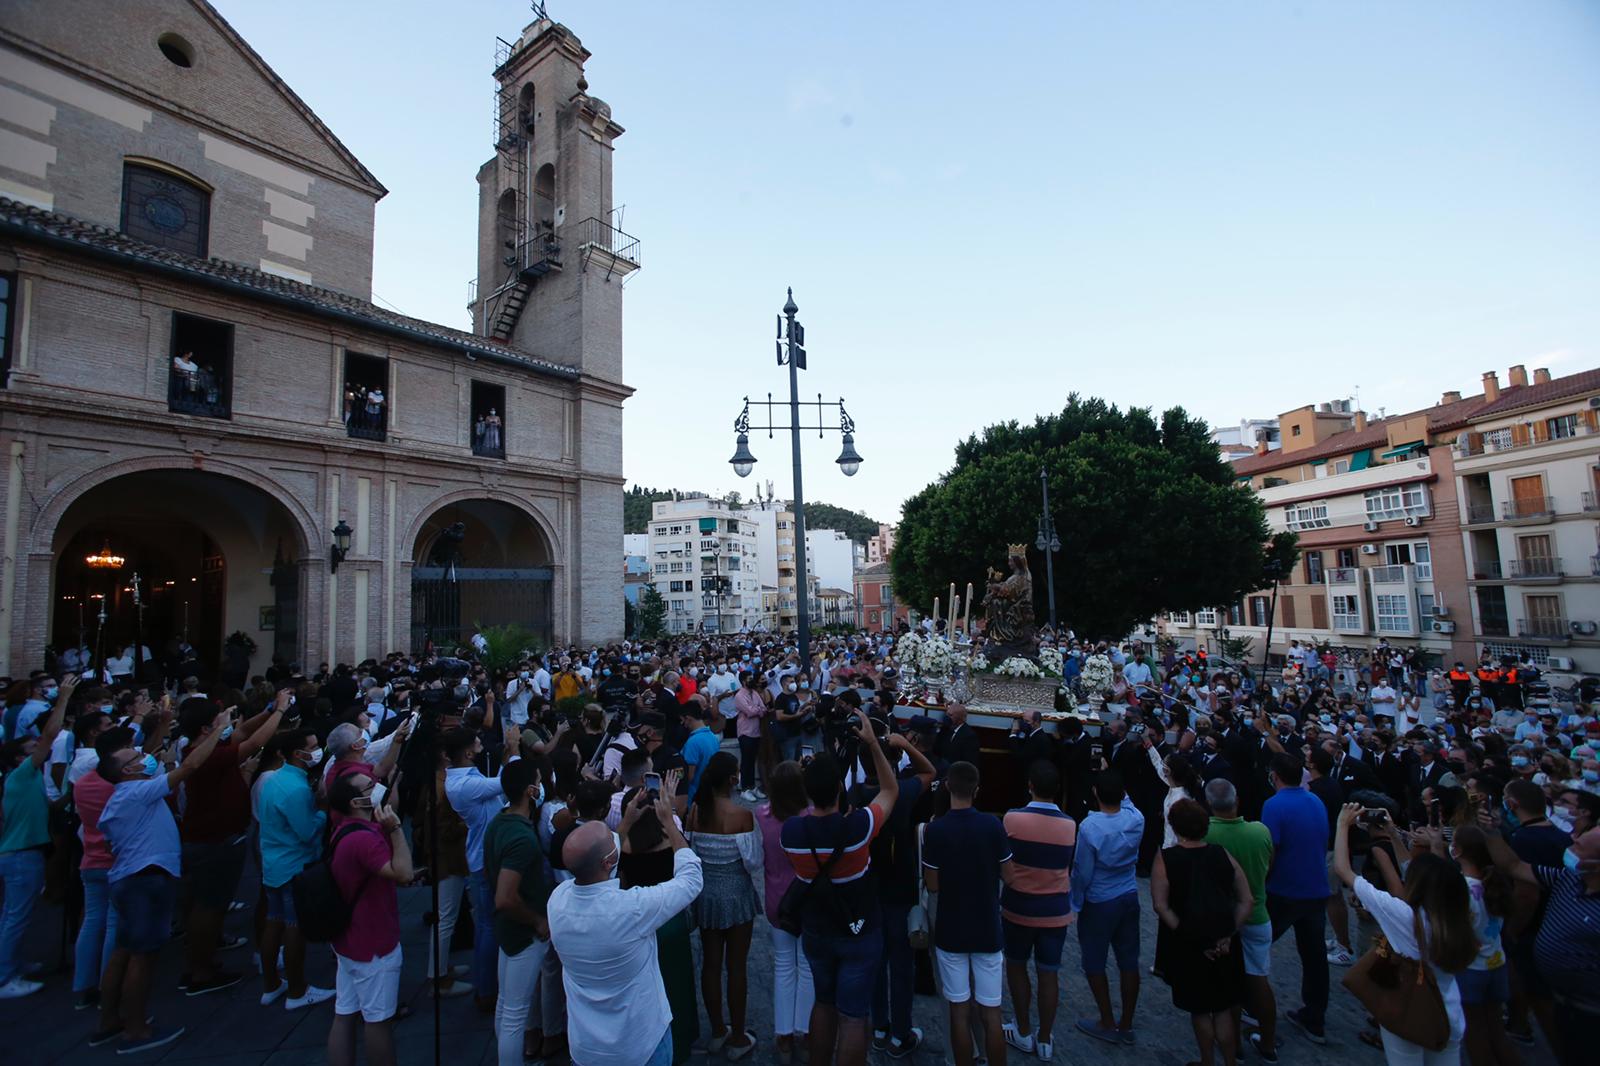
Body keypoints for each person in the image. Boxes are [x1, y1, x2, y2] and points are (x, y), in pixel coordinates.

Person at [94, 704, 230, 1052]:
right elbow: (190, 766)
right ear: (127, 770)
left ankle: (110, 1019)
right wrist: (219, 730)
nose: (144, 756)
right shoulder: (137, 792)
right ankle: (136, 1031)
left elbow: (160, 756)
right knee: (144, 955)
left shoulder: (124, 796)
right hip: (146, 879)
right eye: (136, 757)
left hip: (129, 878)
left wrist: (162, 725)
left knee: (125, 951)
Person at [548, 778, 704, 1066]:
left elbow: (604, 857)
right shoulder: (631, 909)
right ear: (609, 862)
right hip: (640, 1045)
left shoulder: (557, 901)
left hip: (586, 1047)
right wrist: (669, 821)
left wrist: (627, 822)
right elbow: (691, 879)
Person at [781, 710, 899, 1066]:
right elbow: (890, 790)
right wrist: (872, 745)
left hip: (817, 926)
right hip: (858, 927)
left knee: (823, 1002)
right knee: (852, 1015)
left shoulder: (792, 833)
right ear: (838, 790)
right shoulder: (859, 827)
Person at [1332, 803, 1476, 1066]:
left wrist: (1342, 825)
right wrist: (1395, 835)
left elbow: (1343, 870)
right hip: (1450, 1011)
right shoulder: (1460, 911)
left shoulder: (1405, 916)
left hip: (1410, 1007)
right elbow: (1421, 871)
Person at [1479, 823, 1600, 1066]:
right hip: (1562, 1001)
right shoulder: (1568, 878)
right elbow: (1513, 866)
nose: (1571, 841)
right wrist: (1491, 832)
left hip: (1592, 1013)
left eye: (1579, 845)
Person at [922, 760, 1014, 1066]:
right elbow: (1010, 876)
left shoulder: (936, 830)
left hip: (951, 928)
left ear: (948, 786)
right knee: (992, 1012)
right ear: (977, 790)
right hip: (987, 925)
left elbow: (932, 885)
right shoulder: (992, 825)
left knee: (958, 1011)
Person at [1153, 798, 1253, 1066]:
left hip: (1191, 941)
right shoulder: (1221, 853)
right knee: (1221, 1008)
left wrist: (1190, 936)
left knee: (1200, 1009)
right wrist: (1228, 934)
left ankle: (1208, 1061)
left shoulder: (1167, 858)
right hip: (1223, 940)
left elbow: (1160, 905)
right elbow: (1246, 900)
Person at [325, 772, 413, 1066]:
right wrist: (398, 830)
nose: (376, 788)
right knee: (378, 1021)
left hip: (348, 939)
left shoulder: (346, 829)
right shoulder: (364, 839)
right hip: (373, 944)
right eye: (369, 787)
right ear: (356, 801)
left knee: (345, 1012)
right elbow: (403, 873)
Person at [686, 751, 764, 1059]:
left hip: (707, 895)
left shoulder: (695, 811)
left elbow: (690, 850)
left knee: (710, 964)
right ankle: (738, 1036)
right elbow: (753, 862)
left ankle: (719, 1030)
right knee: (737, 967)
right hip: (737, 895)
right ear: (732, 779)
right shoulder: (742, 816)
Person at [0, 673, 73, 998]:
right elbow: (49, 735)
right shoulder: (20, 776)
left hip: (23, 851)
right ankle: (5, 976)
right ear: (19, 758)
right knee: (16, 916)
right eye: (30, 750)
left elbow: (51, 806)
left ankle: (11, 962)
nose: (37, 750)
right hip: (21, 854)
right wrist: (64, 699)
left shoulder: (25, 782)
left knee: (14, 914)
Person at [443, 721, 523, 1009]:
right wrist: (513, 749)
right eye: (476, 741)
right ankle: (487, 989)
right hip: (485, 861)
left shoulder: (462, 778)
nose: (481, 743)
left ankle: (486, 983)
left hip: (482, 855)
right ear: (466, 753)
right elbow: (509, 783)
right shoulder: (465, 785)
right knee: (489, 925)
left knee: (487, 924)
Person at [1000, 760, 1076, 1061]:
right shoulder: (1070, 825)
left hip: (1019, 904)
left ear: (1030, 785)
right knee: (1049, 973)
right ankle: (1044, 1037)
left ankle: (1022, 1029)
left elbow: (1003, 862)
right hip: (1055, 908)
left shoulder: (1012, 819)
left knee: (1016, 966)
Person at [257, 729, 336, 1010]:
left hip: (273, 861)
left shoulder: (273, 781)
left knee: (273, 921)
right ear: (296, 753)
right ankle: (297, 989)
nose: (317, 750)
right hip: (294, 862)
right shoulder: (296, 789)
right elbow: (307, 831)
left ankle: (271, 984)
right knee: (293, 927)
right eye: (313, 746)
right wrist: (322, 810)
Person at [1204, 778, 1279, 1061]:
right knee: (1259, 979)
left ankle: (1232, 1043)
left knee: (1228, 985)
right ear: (1237, 802)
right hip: (1258, 913)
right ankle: (1268, 1042)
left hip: (1223, 918)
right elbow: (1269, 864)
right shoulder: (1260, 831)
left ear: (1209, 804)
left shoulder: (1207, 833)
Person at [1070, 768, 1146, 1045]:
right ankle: (1125, 1022)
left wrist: (1075, 901)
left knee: (1094, 961)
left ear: (1096, 794)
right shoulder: (1136, 818)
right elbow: (1128, 802)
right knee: (1128, 961)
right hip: (1129, 893)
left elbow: (1083, 872)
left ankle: (1106, 1019)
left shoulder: (1091, 827)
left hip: (1100, 899)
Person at [484, 758, 552, 1066]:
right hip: (524, 931)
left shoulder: (500, 821)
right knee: (515, 1015)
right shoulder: (521, 838)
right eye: (538, 780)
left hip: (510, 929)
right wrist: (537, 920)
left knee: (506, 1006)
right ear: (530, 790)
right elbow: (505, 897)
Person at [1260, 751, 1330, 1044]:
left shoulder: (1274, 805)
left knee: (1255, 945)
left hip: (1284, 890)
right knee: (1314, 957)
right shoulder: (1315, 800)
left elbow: (1271, 851)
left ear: (1275, 776)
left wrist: (1260, 881)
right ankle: (1315, 1017)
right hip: (1315, 888)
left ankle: (1250, 1006)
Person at [757, 762, 814, 1064]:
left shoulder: (762, 817)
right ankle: (803, 1028)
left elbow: (756, 858)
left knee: (783, 965)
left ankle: (783, 1034)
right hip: (805, 900)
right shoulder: (808, 817)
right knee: (805, 965)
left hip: (776, 899)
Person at [1449, 825, 1519, 1066]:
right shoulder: (1494, 883)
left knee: (1475, 1036)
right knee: (1497, 1033)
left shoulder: (1462, 889)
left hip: (1471, 970)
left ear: (1456, 850)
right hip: (1496, 964)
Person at [734, 671, 769, 801]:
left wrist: (757, 710)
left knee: (752, 760)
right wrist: (757, 710)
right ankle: (745, 788)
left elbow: (763, 708)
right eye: (749, 678)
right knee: (746, 761)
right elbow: (749, 712)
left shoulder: (754, 693)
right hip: (745, 732)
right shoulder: (739, 695)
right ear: (744, 681)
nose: (751, 680)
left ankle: (752, 786)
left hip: (756, 732)